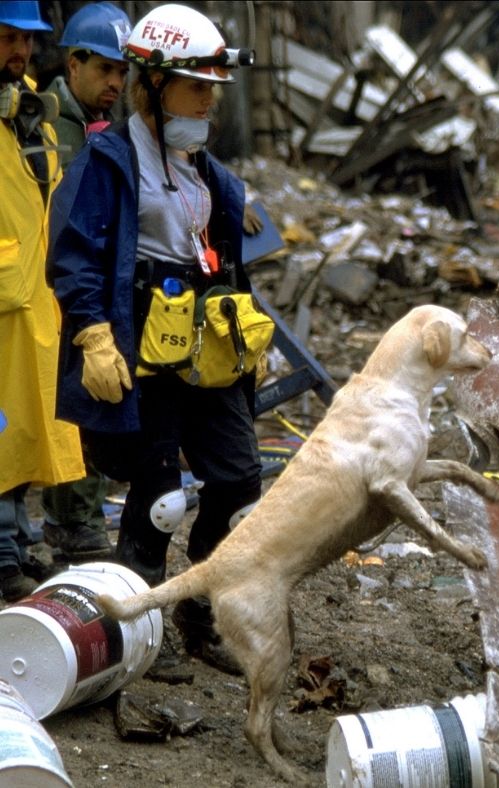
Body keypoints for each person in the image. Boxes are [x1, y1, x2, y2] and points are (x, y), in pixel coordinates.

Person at [48, 3, 264, 671]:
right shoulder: (110, 160)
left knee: (238, 484)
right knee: (161, 498)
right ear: (155, 83)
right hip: (144, 346)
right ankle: (142, 633)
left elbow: (227, 255)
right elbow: (74, 253)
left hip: (208, 347)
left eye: (211, 89)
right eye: (197, 86)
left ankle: (202, 615)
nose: (208, 102)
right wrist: (92, 335)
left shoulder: (202, 165)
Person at [40, 1, 132, 561]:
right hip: (44, 292)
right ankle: (68, 528)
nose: (116, 83)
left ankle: (77, 520)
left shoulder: (112, 133)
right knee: (57, 411)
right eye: (104, 69)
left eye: (123, 72)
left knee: (93, 404)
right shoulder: (43, 122)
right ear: (73, 65)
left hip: (91, 291)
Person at [0, 0, 85, 602]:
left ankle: (16, 541)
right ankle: (3, 550)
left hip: (29, 297)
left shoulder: (31, 110)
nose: (21, 52)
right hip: (9, 293)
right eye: (8, 38)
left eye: (26, 41)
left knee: (22, 429)